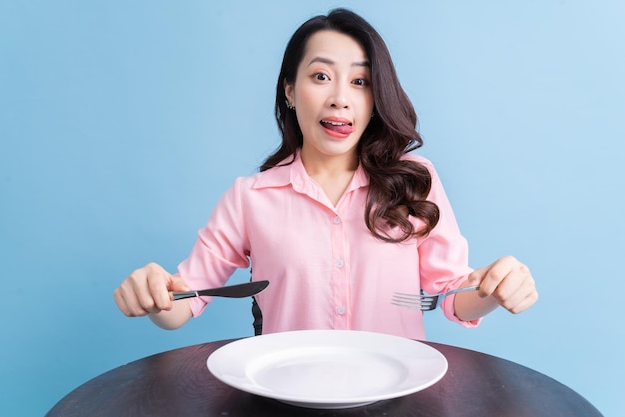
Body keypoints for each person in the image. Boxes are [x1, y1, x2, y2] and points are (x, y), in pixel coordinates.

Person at [114, 8, 538, 340]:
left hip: (396, 398)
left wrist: (493, 290)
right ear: (290, 90)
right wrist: (153, 295)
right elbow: (184, 302)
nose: (340, 98)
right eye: (320, 77)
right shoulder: (250, 197)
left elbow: (452, 297)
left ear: (377, 97)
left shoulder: (414, 180)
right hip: (285, 398)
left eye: (360, 81)